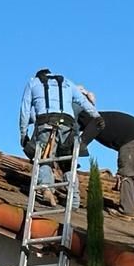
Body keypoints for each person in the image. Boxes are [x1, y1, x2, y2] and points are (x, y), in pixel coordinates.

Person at [18, 69, 94, 199]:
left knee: (44, 157)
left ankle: (46, 187)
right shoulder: (69, 90)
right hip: (69, 130)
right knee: (68, 164)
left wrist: (24, 134)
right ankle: (74, 198)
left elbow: (27, 112)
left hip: (47, 124)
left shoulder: (34, 84)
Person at [78, 107, 134, 219]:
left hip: (133, 141)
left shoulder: (88, 118)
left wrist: (77, 147)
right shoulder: (102, 117)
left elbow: (82, 141)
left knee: (125, 174)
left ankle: (126, 211)